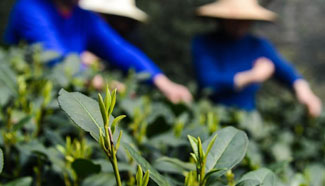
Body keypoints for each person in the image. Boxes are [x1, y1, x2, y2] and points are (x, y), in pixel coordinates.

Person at [5, 0, 192, 104]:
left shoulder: (84, 16)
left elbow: (119, 49)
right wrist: (107, 84)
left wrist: (163, 82)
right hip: (26, 98)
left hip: (66, 94)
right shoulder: (30, 7)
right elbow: (55, 57)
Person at [193, 0, 322, 117]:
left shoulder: (257, 45)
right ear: (221, 19)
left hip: (247, 118)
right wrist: (252, 76)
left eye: (245, 20)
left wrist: (305, 93)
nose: (240, 25)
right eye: (234, 20)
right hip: (210, 114)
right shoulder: (204, 43)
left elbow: (287, 72)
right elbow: (209, 82)